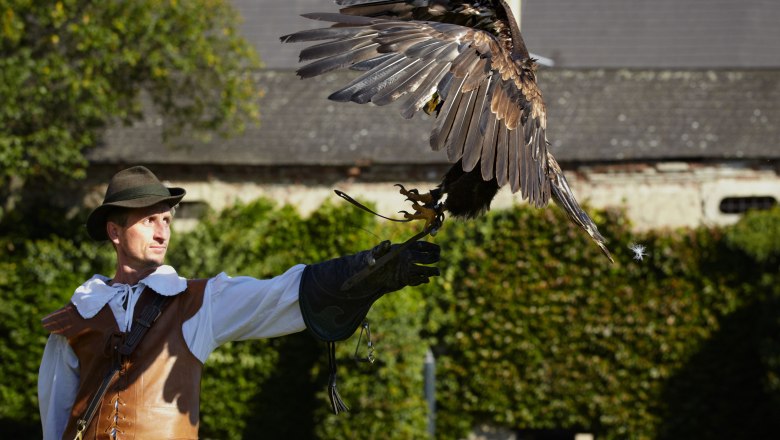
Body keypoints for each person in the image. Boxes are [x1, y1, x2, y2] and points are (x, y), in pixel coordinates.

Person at [38, 165, 440, 439]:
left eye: (167, 220)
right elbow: (54, 418)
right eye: (148, 220)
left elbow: (281, 293)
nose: (162, 232)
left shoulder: (197, 302)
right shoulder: (78, 316)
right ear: (115, 231)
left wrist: (368, 268)